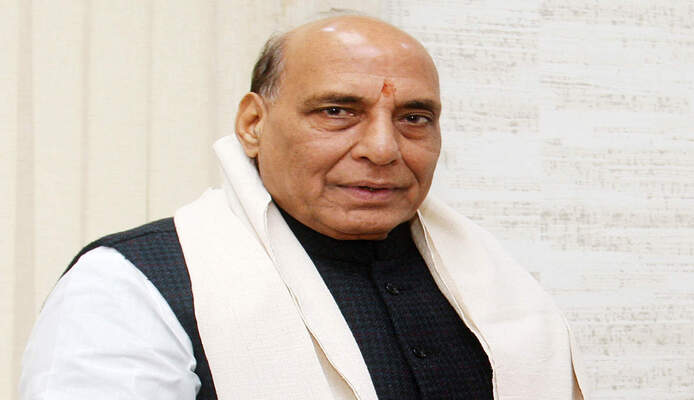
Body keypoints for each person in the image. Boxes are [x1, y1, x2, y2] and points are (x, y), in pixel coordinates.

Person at [20, 15, 586, 399]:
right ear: (253, 124)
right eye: (337, 111)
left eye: (414, 118)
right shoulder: (130, 285)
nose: (382, 149)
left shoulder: (487, 280)